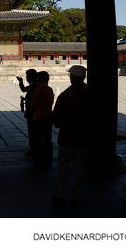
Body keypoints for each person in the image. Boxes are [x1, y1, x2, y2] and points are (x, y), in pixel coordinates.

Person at [52, 65, 91, 206]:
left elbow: (56, 118)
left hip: (67, 136)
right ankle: (75, 195)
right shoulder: (90, 93)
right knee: (79, 167)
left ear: (72, 77)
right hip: (83, 137)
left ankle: (60, 194)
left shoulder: (65, 95)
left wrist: (59, 122)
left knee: (63, 166)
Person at [29, 71, 55, 168]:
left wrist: (30, 111)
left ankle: (39, 158)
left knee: (38, 139)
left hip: (39, 117)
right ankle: (49, 156)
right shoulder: (50, 89)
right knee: (48, 138)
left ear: (38, 79)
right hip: (48, 116)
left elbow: (33, 104)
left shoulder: (38, 90)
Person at [17, 69, 39, 157]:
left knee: (33, 131)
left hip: (33, 112)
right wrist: (21, 82)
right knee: (32, 131)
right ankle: (33, 147)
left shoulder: (35, 86)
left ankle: (33, 148)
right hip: (32, 111)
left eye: (27, 76)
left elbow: (32, 100)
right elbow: (23, 89)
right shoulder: (32, 85)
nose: (26, 78)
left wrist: (28, 110)